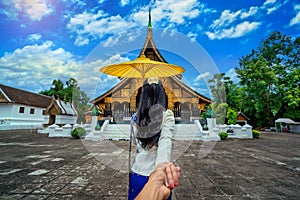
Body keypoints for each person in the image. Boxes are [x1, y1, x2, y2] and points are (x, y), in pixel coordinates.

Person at [128, 77, 175, 200]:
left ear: (143, 97)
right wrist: (160, 169)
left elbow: (134, 142)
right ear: (161, 96)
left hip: (137, 173)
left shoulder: (135, 118)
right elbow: (166, 141)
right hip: (158, 175)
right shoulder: (167, 116)